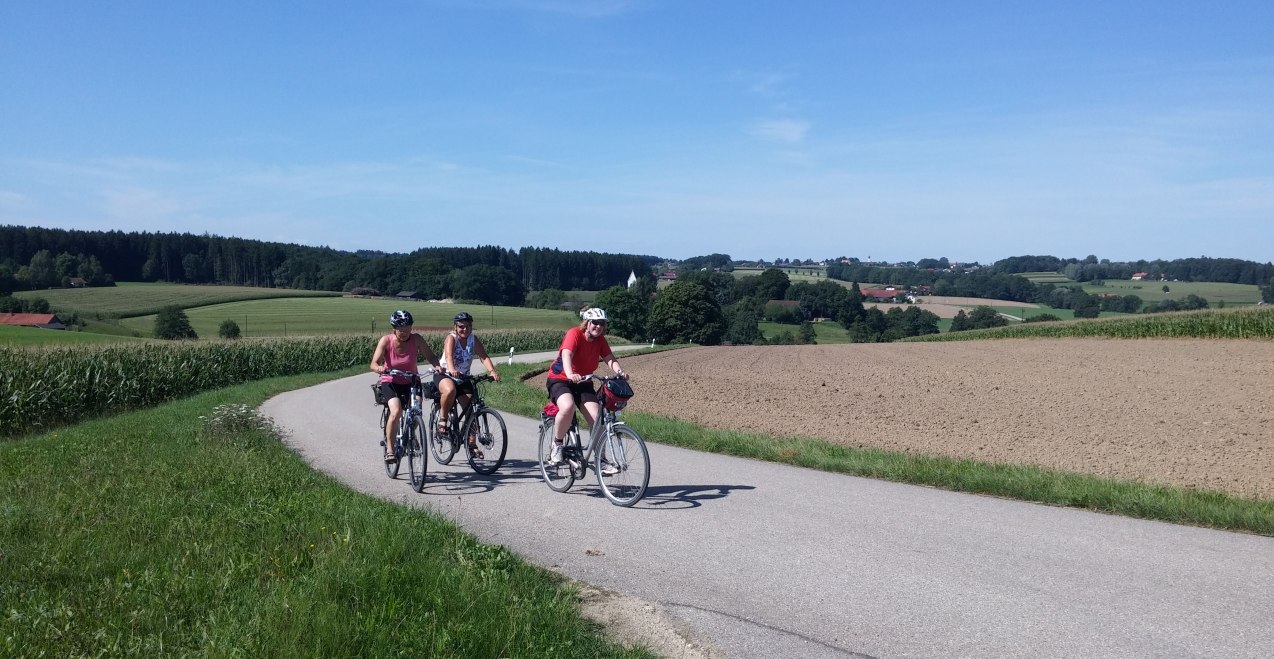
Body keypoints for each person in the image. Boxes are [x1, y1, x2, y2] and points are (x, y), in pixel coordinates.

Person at [545, 307, 627, 469]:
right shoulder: (574, 334)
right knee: (567, 406)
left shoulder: (600, 340)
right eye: (595, 322)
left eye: (602, 323)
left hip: (583, 382)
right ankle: (557, 444)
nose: (599, 326)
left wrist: (620, 372)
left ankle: (601, 460)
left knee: (598, 420)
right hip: (560, 379)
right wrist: (570, 373)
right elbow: (566, 354)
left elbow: (609, 358)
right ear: (587, 323)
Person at [370, 309, 441, 463]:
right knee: (396, 412)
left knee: (417, 411)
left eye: (407, 329)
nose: (404, 333)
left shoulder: (417, 339)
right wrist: (379, 368)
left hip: (412, 380)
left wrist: (437, 366)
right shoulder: (386, 340)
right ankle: (390, 449)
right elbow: (373, 363)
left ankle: (411, 434)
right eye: (401, 330)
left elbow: (430, 356)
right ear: (394, 329)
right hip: (391, 381)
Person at [435, 311, 501, 457]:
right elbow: (449, 356)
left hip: (463, 377)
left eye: (467, 326)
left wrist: (492, 371)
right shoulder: (451, 338)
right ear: (455, 327)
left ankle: (472, 444)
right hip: (445, 374)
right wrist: (452, 370)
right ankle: (443, 421)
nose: (464, 329)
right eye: (461, 327)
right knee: (450, 390)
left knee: (472, 409)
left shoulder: (473, 339)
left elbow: (483, 357)